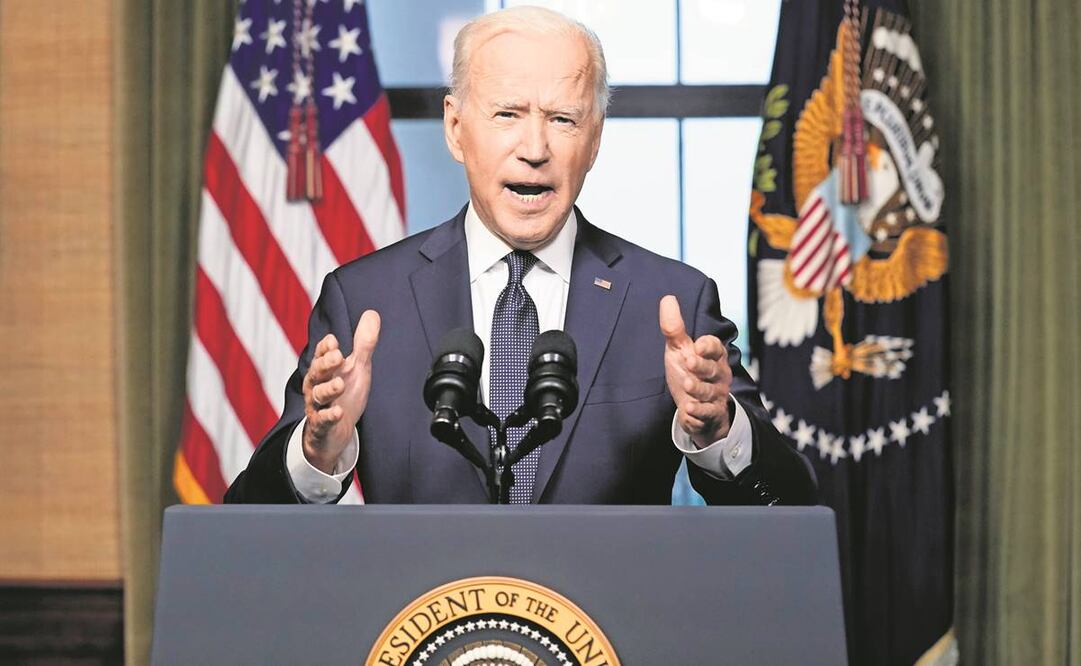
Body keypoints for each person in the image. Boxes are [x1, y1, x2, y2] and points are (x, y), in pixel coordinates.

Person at [224, 6, 816, 506]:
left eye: (563, 119)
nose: (534, 149)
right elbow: (252, 518)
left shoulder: (670, 304)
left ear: (595, 140)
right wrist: (318, 448)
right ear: (456, 129)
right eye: (507, 115)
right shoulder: (366, 301)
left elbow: (790, 502)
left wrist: (718, 429)